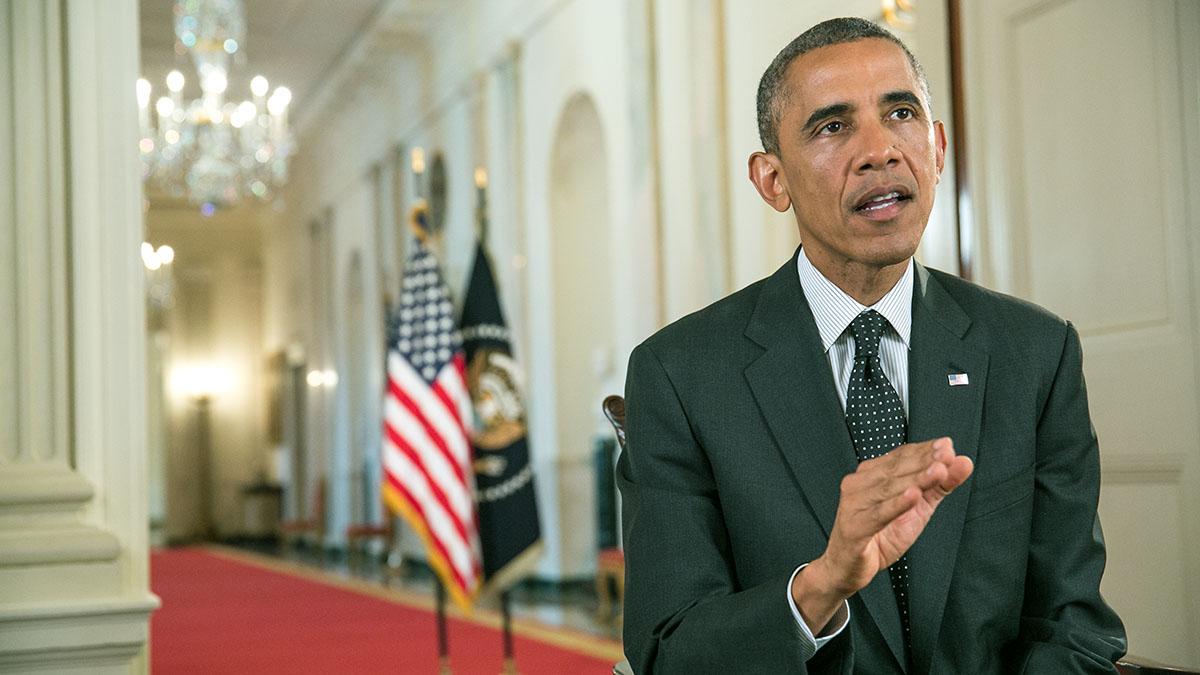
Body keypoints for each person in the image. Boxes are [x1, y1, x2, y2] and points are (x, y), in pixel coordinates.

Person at [616, 16, 1126, 674]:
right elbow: (668, 647)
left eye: (902, 112)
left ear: (938, 149)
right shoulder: (681, 375)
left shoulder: (1036, 351)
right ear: (773, 180)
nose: (880, 149)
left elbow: (1074, 624)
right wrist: (822, 583)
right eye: (833, 126)